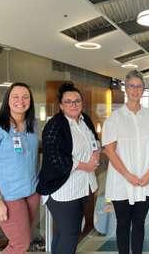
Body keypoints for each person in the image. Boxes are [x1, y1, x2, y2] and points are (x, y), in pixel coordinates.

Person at [36, 82, 100, 254]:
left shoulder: (85, 119)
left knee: (64, 234)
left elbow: (95, 140)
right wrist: (84, 165)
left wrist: (96, 153)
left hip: (82, 187)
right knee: (70, 235)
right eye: (68, 101)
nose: (73, 104)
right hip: (62, 190)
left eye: (77, 101)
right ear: (61, 106)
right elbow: (54, 155)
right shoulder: (55, 125)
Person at [102, 70, 149, 254]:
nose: (135, 90)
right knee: (123, 223)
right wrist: (128, 175)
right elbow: (109, 151)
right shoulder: (114, 118)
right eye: (131, 86)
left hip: (145, 179)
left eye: (139, 86)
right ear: (126, 88)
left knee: (140, 223)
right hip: (122, 181)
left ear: (143, 89)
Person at [0, 82, 39, 254]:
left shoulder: (32, 125)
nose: (21, 100)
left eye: (25, 97)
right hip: (7, 196)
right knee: (20, 244)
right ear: (7, 100)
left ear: (30, 101)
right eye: (15, 96)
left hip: (31, 193)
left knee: (20, 241)